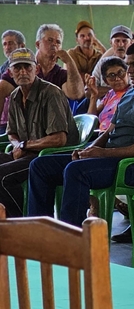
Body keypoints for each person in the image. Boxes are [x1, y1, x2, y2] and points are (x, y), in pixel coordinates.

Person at [27, 40, 134, 228]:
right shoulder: (130, 92)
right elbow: (110, 131)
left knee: (76, 171)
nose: (130, 71)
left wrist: (103, 154)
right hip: (109, 158)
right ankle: (39, 231)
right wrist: (89, 150)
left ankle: (72, 240)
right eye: (128, 65)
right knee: (40, 165)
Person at [0, 49, 79, 217]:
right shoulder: (14, 96)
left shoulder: (51, 93)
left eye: (27, 67)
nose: (23, 72)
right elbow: (12, 133)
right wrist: (16, 146)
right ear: (9, 72)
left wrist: (24, 145)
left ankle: (22, 226)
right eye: (17, 68)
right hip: (27, 152)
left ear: (36, 69)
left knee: (3, 176)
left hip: (51, 156)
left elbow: (59, 139)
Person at [0, 24, 84, 106]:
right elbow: (2, 91)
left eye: (58, 42)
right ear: (37, 44)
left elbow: (76, 95)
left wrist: (70, 62)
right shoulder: (22, 68)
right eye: (50, 40)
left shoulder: (60, 74)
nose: (54, 44)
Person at [86, 57, 130, 131]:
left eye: (121, 73)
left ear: (128, 74)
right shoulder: (110, 95)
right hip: (101, 135)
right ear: (106, 81)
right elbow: (91, 121)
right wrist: (94, 95)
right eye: (112, 76)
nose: (117, 79)